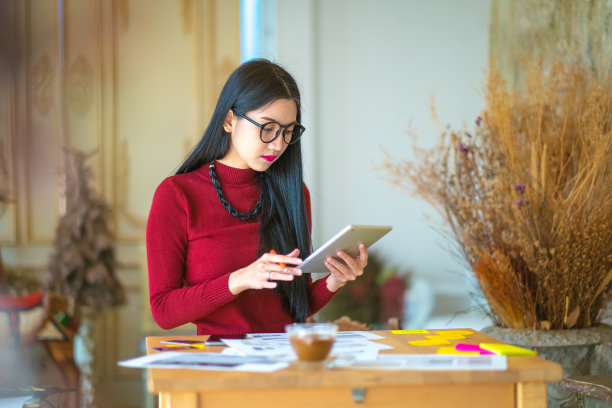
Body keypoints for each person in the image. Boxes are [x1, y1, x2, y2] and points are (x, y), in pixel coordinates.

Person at [146, 59, 368, 335]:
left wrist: (335, 280)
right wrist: (241, 279)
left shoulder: (294, 193)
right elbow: (164, 311)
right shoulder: (178, 195)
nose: (278, 144)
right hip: (220, 362)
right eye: (267, 128)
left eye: (288, 132)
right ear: (229, 120)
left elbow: (296, 307)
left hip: (285, 358)